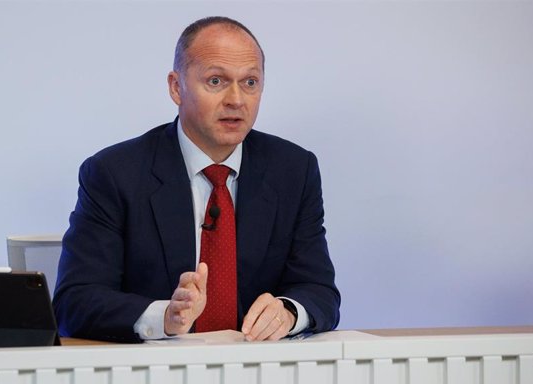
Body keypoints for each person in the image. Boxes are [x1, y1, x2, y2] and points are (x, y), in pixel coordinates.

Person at [53, 16, 340, 343]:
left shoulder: (293, 170)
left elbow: (319, 291)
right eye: (216, 81)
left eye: (250, 83)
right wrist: (164, 317)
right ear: (177, 87)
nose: (236, 99)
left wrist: (288, 312)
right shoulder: (115, 173)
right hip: (153, 376)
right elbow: (75, 302)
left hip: (260, 374)